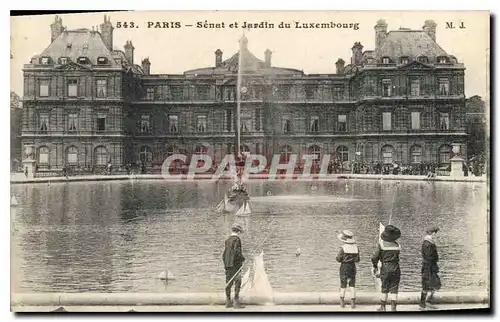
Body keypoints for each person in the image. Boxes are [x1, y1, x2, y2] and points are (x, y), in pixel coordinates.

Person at [371, 225, 402, 312]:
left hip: (386, 267)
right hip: (396, 267)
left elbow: (374, 257)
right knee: (394, 288)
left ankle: (383, 307)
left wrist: (375, 266)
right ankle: (393, 308)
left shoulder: (381, 245)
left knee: (385, 288)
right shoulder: (397, 245)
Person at [222, 223, 246, 308]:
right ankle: (236, 302)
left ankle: (228, 302)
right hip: (235, 264)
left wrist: (225, 264)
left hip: (227, 264)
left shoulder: (227, 240)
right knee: (238, 281)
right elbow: (237, 252)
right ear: (238, 231)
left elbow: (224, 254)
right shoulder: (237, 239)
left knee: (228, 282)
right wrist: (243, 259)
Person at [336, 230, 360, 308]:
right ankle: (353, 304)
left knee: (343, 285)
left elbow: (338, 259)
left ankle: (342, 303)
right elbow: (357, 260)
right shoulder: (356, 248)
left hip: (344, 267)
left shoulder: (343, 248)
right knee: (352, 285)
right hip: (352, 267)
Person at [420, 227, 441, 309]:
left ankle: (428, 300)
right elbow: (429, 256)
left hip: (430, 266)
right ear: (433, 233)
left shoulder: (429, 242)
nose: (437, 236)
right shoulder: (428, 243)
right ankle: (423, 303)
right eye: (436, 233)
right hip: (428, 266)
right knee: (426, 284)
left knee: (434, 283)